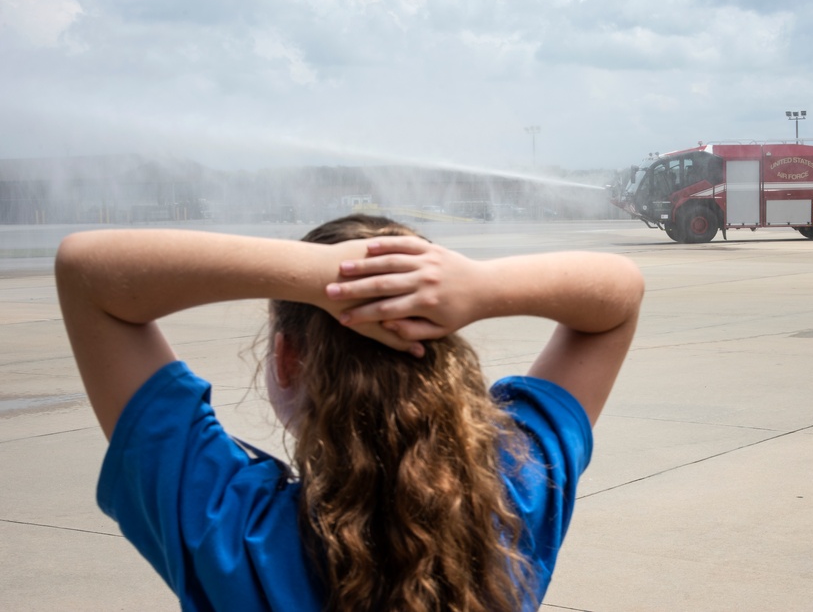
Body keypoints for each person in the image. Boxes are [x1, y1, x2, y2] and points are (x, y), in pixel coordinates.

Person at [56, 214, 644, 612]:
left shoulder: (229, 530)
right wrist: (482, 285)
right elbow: (618, 294)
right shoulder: (515, 495)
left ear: (286, 358)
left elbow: (88, 268)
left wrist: (327, 277)